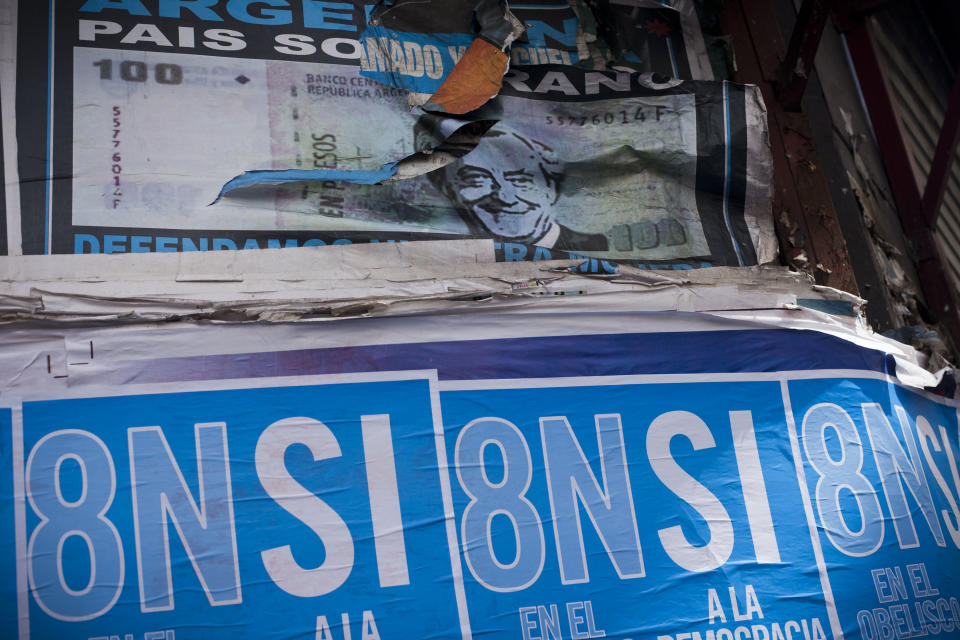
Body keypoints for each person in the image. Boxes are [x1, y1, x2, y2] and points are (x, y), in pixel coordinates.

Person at [427, 129, 609, 251]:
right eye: (476, 180)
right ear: (449, 190)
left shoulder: (597, 247)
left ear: (552, 190)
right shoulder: (443, 250)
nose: (506, 197)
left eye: (521, 180)